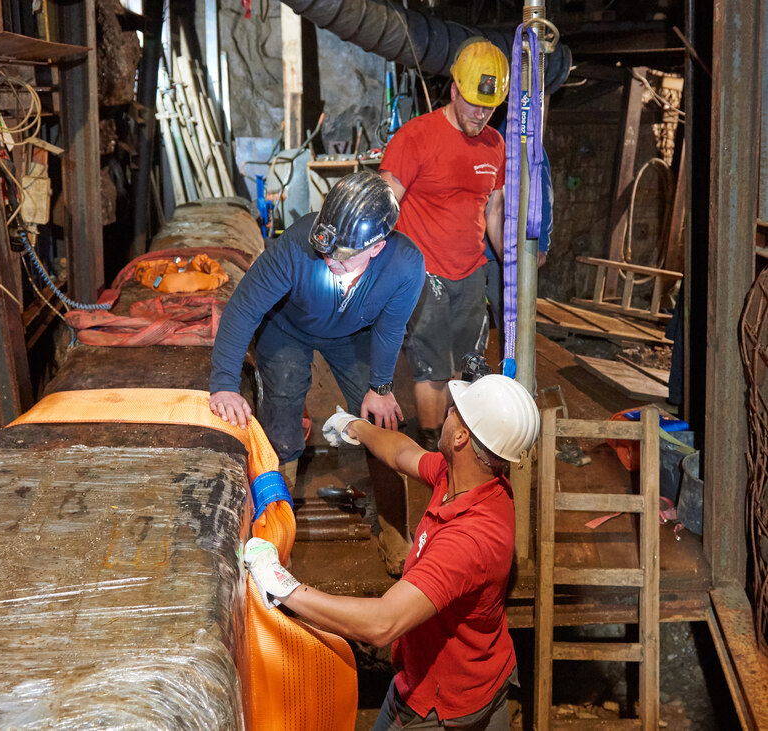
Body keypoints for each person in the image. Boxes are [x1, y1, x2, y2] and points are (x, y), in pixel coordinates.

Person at [244, 374, 541, 730]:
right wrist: (354, 427)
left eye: (455, 412)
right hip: (483, 673)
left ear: (462, 437)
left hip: (439, 702)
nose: (448, 411)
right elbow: (403, 453)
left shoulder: (468, 540)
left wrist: (284, 587)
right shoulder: (472, 479)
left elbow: (382, 623)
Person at [208, 170, 426, 546]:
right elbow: (244, 309)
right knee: (283, 402)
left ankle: (393, 529)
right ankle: (277, 520)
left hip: (353, 332)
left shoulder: (405, 267)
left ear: (376, 247)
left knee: (380, 416)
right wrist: (225, 384)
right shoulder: (296, 247)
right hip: (288, 326)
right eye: (325, 251)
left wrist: (380, 386)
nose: (328, 261)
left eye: (341, 257)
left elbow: (390, 330)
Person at [379, 38, 509, 451]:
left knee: (466, 369)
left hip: (471, 272)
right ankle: (432, 449)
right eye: (473, 103)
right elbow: (385, 202)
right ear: (453, 89)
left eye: (489, 107)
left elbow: (493, 212)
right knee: (432, 370)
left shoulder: (496, 145)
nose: (481, 113)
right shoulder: (416, 137)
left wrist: (512, 262)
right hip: (424, 273)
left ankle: (455, 450)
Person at [484, 114, 554, 353]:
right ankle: (472, 380)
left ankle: (517, 381)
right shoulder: (484, 143)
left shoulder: (525, 145)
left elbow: (542, 193)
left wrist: (541, 242)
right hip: (474, 251)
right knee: (471, 321)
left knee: (510, 318)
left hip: (505, 252)